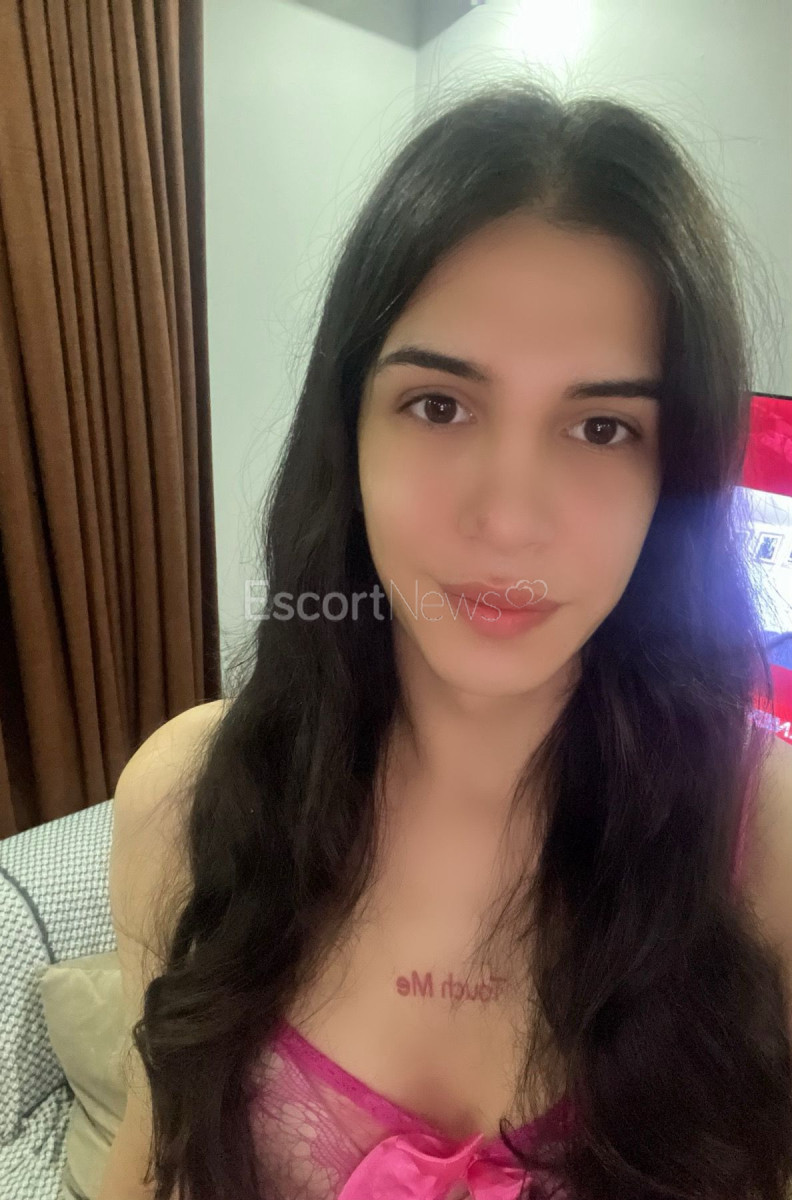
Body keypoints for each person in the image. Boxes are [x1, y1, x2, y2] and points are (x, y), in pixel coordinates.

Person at [98, 78, 792, 1200]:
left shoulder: (768, 848)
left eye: (601, 426)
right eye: (439, 405)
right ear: (349, 432)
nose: (507, 519)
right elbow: (151, 1166)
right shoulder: (183, 803)